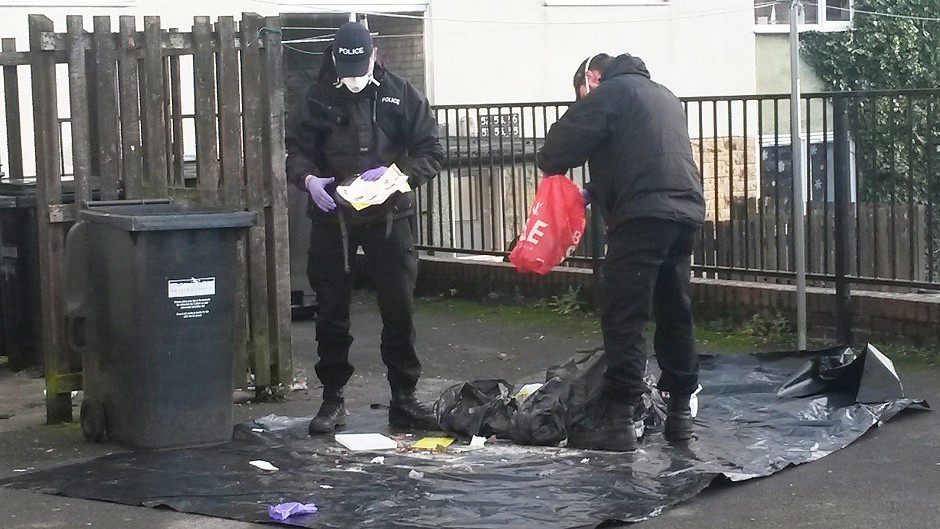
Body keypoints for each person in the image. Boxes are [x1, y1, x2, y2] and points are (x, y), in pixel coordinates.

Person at [536, 53, 706, 451]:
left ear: (592, 78)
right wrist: (593, 191)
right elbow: (642, 156)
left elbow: (557, 150)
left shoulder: (609, 92)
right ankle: (680, 413)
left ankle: (618, 420)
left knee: (625, 314)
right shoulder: (662, 95)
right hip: (684, 212)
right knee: (674, 309)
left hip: (642, 215)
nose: (582, 98)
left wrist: (554, 163)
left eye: (581, 92)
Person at [286, 22, 444, 435]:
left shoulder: (401, 93)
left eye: (361, 70)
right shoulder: (316, 96)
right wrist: (308, 181)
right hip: (333, 216)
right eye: (346, 71)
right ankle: (332, 398)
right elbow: (298, 150)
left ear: (374, 56)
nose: (354, 80)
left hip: (390, 217)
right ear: (335, 61)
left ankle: (404, 398)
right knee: (331, 310)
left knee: (399, 307)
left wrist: (398, 176)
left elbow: (431, 149)